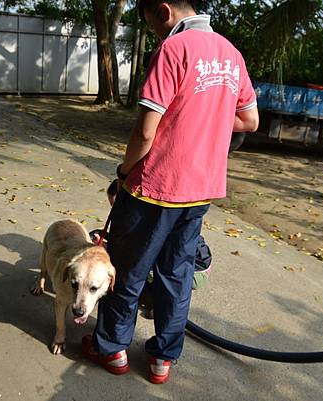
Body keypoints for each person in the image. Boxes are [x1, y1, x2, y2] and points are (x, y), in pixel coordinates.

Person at [82, 0, 259, 384]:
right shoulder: (231, 54)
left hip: (156, 187)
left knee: (128, 272)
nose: (153, 31)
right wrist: (205, 111)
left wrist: (124, 173)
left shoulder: (174, 48)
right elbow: (250, 119)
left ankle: (111, 349)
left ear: (163, 10)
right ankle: (163, 359)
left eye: (149, 21)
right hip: (201, 190)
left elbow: (147, 131)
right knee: (176, 277)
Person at [90, 179, 213, 318]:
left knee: (136, 267)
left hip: (195, 270)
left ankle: (163, 304)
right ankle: (160, 297)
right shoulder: (150, 214)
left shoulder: (153, 219)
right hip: (186, 260)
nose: (116, 212)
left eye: (116, 206)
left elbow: (145, 251)